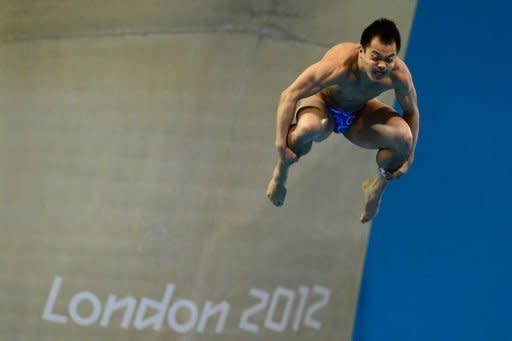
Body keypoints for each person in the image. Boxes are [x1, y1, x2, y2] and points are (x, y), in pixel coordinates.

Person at [266, 18, 419, 223]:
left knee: (404, 139)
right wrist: (280, 144)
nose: (382, 65)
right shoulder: (337, 67)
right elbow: (289, 95)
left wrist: (409, 157)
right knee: (307, 128)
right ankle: (280, 174)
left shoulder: (399, 75)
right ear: (361, 52)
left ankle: (376, 190)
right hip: (324, 106)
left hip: (359, 115)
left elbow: (412, 112)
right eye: (376, 57)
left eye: (389, 59)